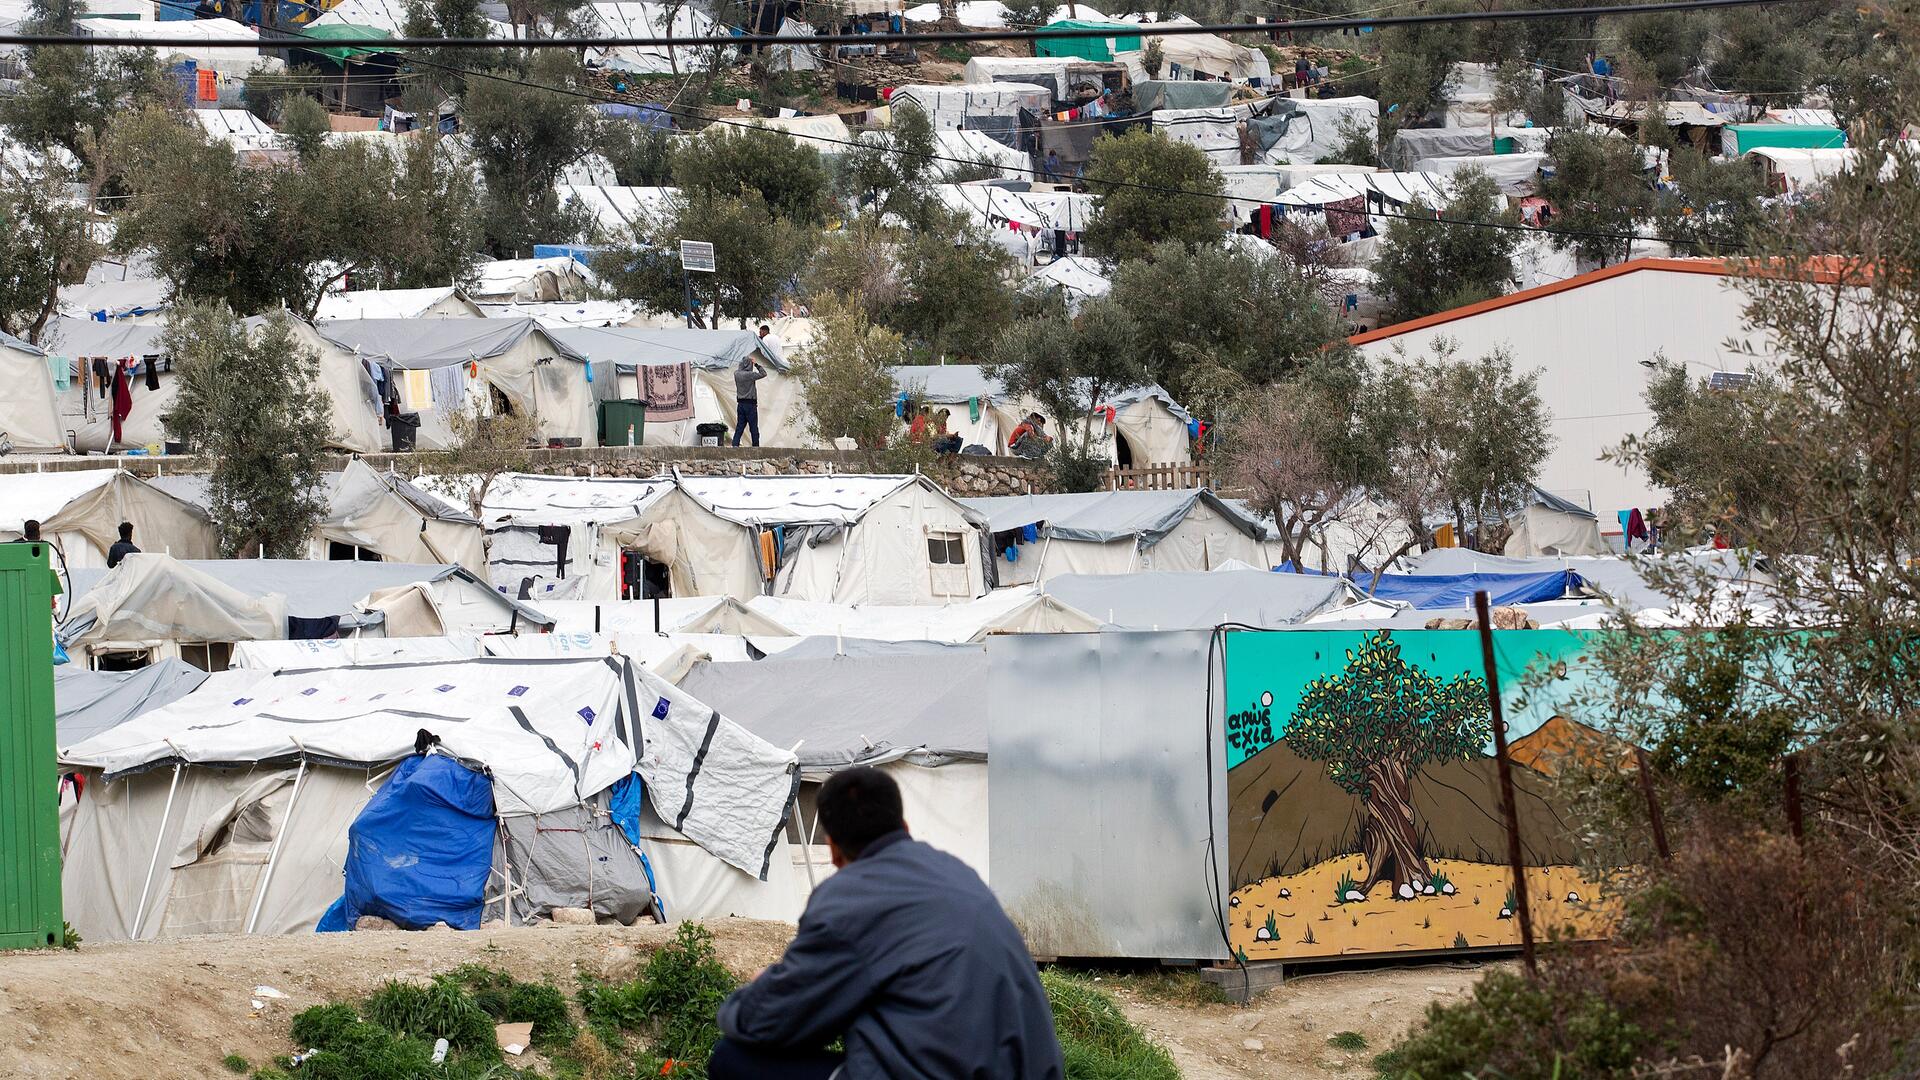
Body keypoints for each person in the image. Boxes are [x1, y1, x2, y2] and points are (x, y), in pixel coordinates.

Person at [713, 767, 1064, 1080]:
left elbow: (770, 1022)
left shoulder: (847, 899)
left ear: (832, 849)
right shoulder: (959, 875)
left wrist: (757, 991)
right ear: (905, 827)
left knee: (733, 1059)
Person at [11, 520, 63, 608]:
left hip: (39, 584)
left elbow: (49, 569)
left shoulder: (44, 545)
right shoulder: (16, 545)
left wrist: (52, 596)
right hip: (21, 584)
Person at [733, 356, 768, 447]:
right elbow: (763, 373)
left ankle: (734, 445)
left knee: (739, 427)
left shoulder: (736, 374)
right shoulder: (750, 375)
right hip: (750, 405)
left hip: (740, 404)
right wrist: (756, 364)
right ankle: (755, 448)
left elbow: (740, 368)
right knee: (753, 428)